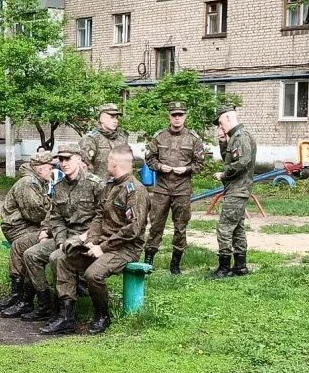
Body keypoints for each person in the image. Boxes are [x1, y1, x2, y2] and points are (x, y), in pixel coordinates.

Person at [52, 146, 148, 335]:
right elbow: (99, 217)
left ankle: (102, 316)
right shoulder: (110, 186)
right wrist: (92, 241)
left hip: (125, 247)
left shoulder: (135, 190)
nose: (106, 164)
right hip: (103, 243)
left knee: (93, 274)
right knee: (62, 258)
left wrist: (102, 247)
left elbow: (133, 230)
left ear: (114, 162)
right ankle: (66, 316)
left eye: (108, 161)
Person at [30, 145, 105, 329]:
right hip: (66, 236)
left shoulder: (95, 184)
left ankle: (67, 314)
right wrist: (62, 240)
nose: (64, 163)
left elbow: (104, 217)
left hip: (88, 238)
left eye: (68, 158)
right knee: (31, 255)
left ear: (79, 159)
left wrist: (85, 239)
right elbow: (56, 218)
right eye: (61, 159)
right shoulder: (59, 187)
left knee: (57, 258)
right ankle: (49, 306)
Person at [143, 102, 206, 274]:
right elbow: (149, 158)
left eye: (180, 115)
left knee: (180, 226)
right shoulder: (159, 137)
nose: (177, 118)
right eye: (174, 115)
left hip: (182, 189)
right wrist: (158, 166)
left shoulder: (194, 139)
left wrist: (186, 169)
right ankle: (148, 260)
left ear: (185, 116)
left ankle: (175, 264)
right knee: (156, 224)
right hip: (162, 188)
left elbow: (200, 164)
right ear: (169, 116)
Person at [0, 151, 54, 318]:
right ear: (40, 169)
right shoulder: (28, 183)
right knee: (27, 248)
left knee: (25, 249)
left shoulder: (38, 181)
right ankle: (22, 298)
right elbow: (36, 213)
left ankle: (22, 298)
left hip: (28, 226)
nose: (53, 171)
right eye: (50, 168)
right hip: (19, 226)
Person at [211, 105, 257, 279]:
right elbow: (229, 159)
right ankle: (240, 266)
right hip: (235, 189)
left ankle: (223, 268)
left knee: (224, 227)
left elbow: (242, 162)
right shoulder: (234, 138)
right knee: (237, 228)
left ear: (229, 118)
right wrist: (222, 142)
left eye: (221, 122)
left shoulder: (241, 137)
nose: (219, 127)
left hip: (238, 190)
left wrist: (223, 174)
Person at [79, 103, 128, 178]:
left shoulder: (122, 138)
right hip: (99, 186)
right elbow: (84, 167)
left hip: (119, 186)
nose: (115, 121)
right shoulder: (91, 139)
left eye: (116, 118)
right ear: (101, 119)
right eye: (111, 117)